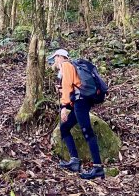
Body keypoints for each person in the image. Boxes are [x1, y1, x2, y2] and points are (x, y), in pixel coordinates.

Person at [48, 48, 105, 180]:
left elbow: (68, 87)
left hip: (81, 103)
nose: (54, 62)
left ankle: (98, 168)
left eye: (55, 59)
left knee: (88, 133)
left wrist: (63, 107)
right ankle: (74, 161)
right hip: (80, 102)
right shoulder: (71, 66)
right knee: (64, 128)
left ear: (59, 57)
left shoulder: (67, 65)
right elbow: (71, 86)